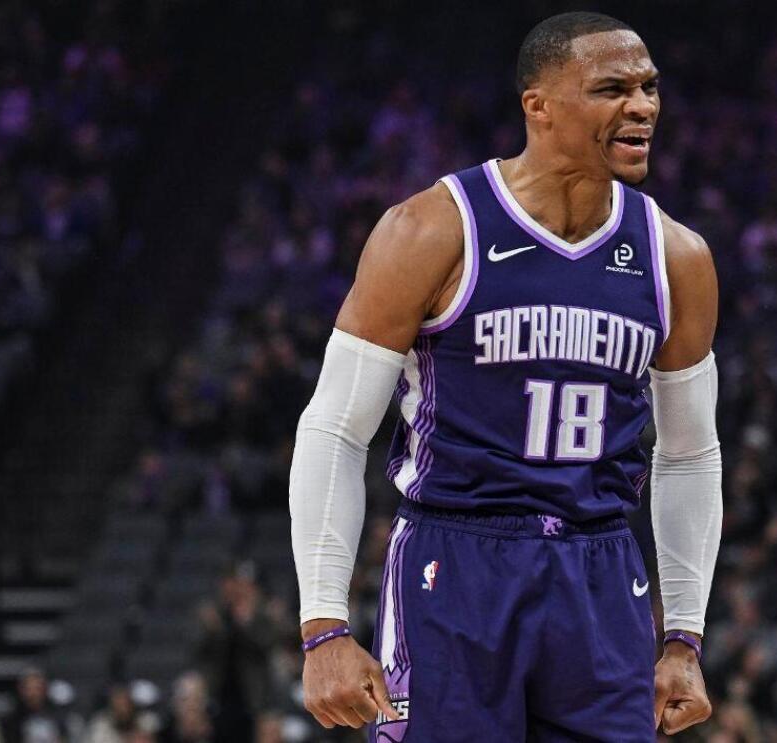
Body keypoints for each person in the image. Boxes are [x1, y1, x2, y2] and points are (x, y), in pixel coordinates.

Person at [288, 11, 722, 742]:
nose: (642, 106)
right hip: (455, 561)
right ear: (538, 105)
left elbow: (690, 452)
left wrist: (684, 636)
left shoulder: (675, 256)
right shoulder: (432, 229)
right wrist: (323, 624)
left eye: (649, 88)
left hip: (600, 568)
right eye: (612, 89)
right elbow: (335, 426)